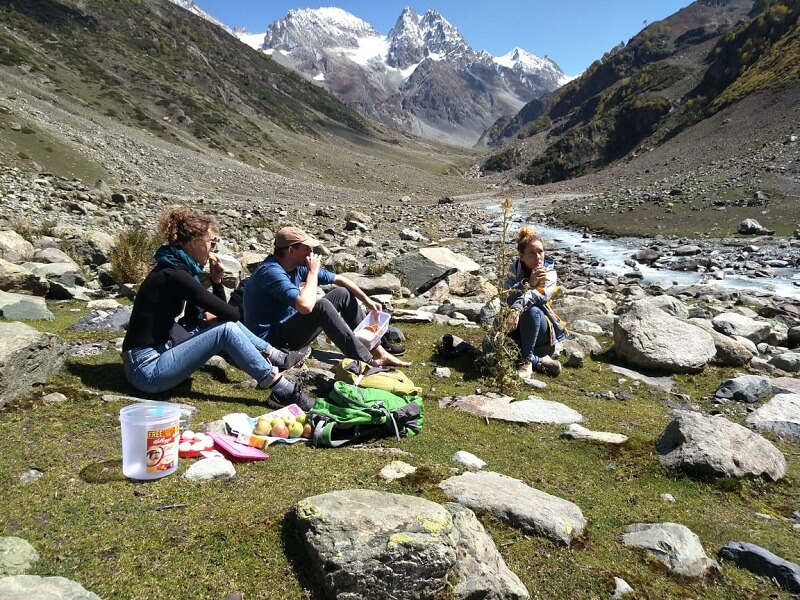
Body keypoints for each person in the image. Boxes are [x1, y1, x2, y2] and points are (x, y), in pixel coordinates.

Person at [121, 207, 314, 410]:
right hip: (146, 370)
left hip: (159, 351)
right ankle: (284, 390)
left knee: (223, 326)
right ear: (195, 243)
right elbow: (230, 314)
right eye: (211, 242)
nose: (213, 247)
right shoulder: (174, 275)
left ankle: (278, 357)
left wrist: (216, 281)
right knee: (226, 331)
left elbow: (207, 317)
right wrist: (217, 289)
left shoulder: (174, 268)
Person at [242, 226, 410, 367]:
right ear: (291, 250)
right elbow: (305, 306)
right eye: (306, 247)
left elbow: (340, 280)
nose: (312, 251)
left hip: (286, 328)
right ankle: (366, 360)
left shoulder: (295, 266)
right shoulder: (271, 272)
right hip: (270, 342)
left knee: (342, 293)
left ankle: (378, 352)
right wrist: (313, 273)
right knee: (321, 306)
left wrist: (368, 300)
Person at [504, 225, 567, 379]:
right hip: (516, 324)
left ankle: (526, 361)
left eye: (540, 252)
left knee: (531, 310)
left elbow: (539, 296)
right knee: (489, 347)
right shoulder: (514, 269)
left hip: (540, 326)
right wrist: (526, 282)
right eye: (531, 253)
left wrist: (518, 307)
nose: (538, 257)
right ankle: (539, 361)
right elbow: (505, 296)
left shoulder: (549, 272)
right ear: (522, 256)